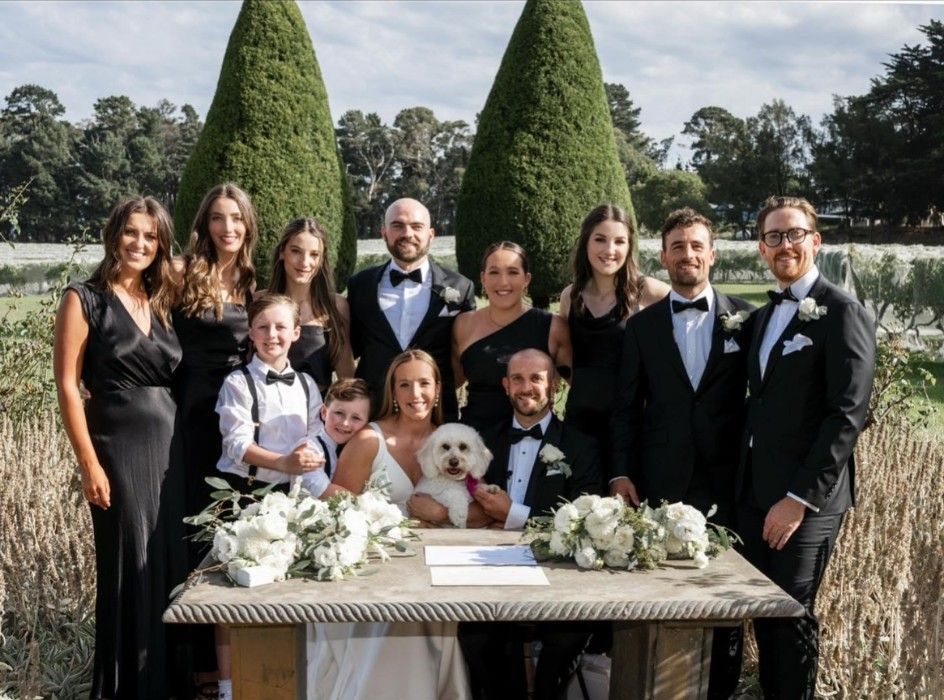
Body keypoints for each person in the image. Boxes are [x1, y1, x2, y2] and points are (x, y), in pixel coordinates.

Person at [609, 208, 753, 698]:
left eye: (696, 245)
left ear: (712, 254)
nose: (687, 254)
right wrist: (621, 473)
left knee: (727, 601)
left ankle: (721, 692)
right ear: (663, 257)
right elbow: (626, 408)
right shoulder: (641, 328)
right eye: (677, 246)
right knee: (658, 592)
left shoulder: (747, 321)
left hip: (729, 482)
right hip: (660, 480)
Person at [737, 196, 875, 699]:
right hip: (754, 492)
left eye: (795, 234)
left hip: (807, 501)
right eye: (774, 236)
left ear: (816, 241)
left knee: (788, 616)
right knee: (759, 620)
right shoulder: (762, 316)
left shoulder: (842, 312)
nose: (785, 244)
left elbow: (847, 414)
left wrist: (798, 499)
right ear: (762, 248)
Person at [54, 196, 186, 699]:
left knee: (167, 561)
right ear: (114, 235)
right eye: (132, 232)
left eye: (151, 237)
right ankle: (127, 688)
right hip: (117, 448)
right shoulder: (82, 298)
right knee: (130, 563)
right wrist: (89, 463)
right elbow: (68, 385)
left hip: (172, 447)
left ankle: (168, 683)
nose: (140, 244)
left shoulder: (163, 300)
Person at [307, 350, 472, 700]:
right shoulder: (369, 440)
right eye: (405, 385)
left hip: (436, 571)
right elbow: (337, 510)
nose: (416, 394)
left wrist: (441, 515)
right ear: (393, 393)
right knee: (399, 624)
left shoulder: (453, 440)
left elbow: (484, 510)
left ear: (439, 388)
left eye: (424, 383)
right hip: (377, 572)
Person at [459, 348, 601, 699]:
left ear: (554, 386)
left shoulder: (582, 446)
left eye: (536, 378)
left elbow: (582, 523)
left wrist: (512, 515)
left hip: (558, 573)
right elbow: (464, 499)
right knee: (476, 634)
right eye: (518, 379)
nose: (527, 387)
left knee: (567, 635)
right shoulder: (480, 443)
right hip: (490, 568)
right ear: (506, 386)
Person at [214, 293, 326, 700]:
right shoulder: (237, 383)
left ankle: (290, 680)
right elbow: (236, 444)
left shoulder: (310, 384)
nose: (272, 335)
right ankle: (229, 686)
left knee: (291, 587)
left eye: (281, 327)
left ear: (296, 333)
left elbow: (315, 434)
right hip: (244, 496)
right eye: (262, 327)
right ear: (250, 333)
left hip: (292, 495)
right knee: (233, 591)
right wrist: (283, 461)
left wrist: (307, 460)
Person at [171, 182, 258, 691]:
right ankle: (193, 664)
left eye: (237, 219)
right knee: (189, 527)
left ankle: (232, 661)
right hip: (188, 411)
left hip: (236, 417)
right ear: (205, 224)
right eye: (219, 218)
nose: (228, 228)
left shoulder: (253, 281)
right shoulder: (182, 273)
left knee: (229, 528)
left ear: (248, 226)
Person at [559, 203, 669, 489]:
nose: (609, 250)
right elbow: (568, 360)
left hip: (632, 426)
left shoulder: (652, 294)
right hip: (581, 424)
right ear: (586, 242)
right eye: (600, 239)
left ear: (630, 246)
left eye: (619, 241)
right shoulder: (570, 297)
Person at [347, 198, 475, 420]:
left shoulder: (461, 287)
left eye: (417, 226)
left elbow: (464, 357)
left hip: (435, 414)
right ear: (384, 233)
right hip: (374, 413)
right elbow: (352, 348)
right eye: (397, 225)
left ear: (431, 235)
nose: (407, 233)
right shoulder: (360, 285)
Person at [454, 241, 571, 435]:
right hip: (475, 442)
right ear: (482, 278)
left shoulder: (553, 327)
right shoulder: (463, 325)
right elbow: (450, 384)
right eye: (494, 272)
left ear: (527, 279)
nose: (503, 282)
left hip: (535, 441)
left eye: (513, 272)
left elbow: (578, 386)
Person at [268, 217, 355, 393]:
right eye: (296, 251)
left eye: (314, 254)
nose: (305, 263)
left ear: (322, 260)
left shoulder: (336, 306)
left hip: (318, 415)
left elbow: (347, 376)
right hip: (266, 412)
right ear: (282, 252)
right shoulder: (260, 302)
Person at [298, 377, 372, 498]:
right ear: (323, 412)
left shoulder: (356, 450)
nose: (345, 423)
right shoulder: (309, 448)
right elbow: (320, 489)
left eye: (356, 418)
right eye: (339, 413)